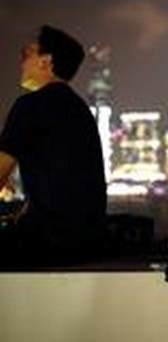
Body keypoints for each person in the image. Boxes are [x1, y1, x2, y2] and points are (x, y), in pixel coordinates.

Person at [0, 25, 107, 269]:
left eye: (27, 54)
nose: (21, 61)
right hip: (88, 241)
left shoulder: (29, 106)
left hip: (46, 243)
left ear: (46, 61)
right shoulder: (81, 112)